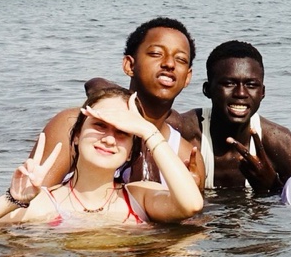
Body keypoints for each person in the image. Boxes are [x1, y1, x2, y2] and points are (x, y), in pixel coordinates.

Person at [0, 84, 205, 233]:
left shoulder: (140, 197)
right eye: (99, 125)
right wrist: (12, 200)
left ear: (133, 146)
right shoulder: (46, 204)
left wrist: (146, 130)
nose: (110, 139)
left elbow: (191, 205)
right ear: (76, 134)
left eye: (123, 131)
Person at [38, 18, 205, 187]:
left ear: (188, 77)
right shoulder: (78, 126)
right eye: (156, 54)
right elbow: (28, 201)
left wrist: (189, 193)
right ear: (129, 65)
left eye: (181, 59)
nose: (169, 64)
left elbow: (193, 210)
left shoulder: (185, 155)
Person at [187, 40, 291, 195]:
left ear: (262, 92)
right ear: (207, 90)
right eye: (229, 83)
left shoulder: (282, 145)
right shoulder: (186, 135)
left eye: (251, 85)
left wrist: (271, 187)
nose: (241, 93)